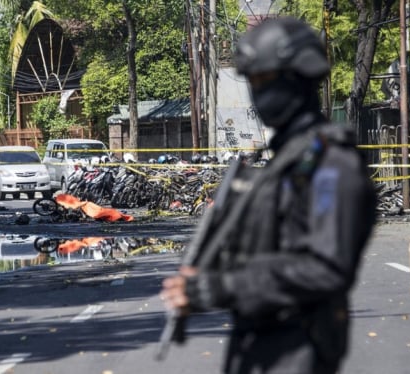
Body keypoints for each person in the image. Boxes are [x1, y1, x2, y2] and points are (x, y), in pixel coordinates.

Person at [160, 17, 377, 374]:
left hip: (298, 351)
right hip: (261, 347)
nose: (258, 93)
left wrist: (219, 288)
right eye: (253, 82)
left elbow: (324, 267)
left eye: (265, 80)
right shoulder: (289, 160)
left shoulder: (331, 165)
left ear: (298, 78)